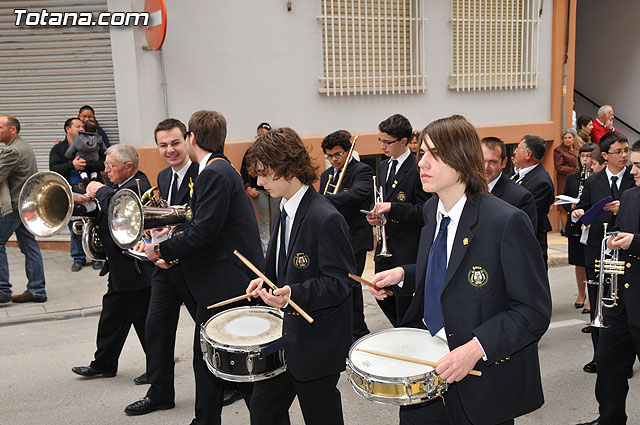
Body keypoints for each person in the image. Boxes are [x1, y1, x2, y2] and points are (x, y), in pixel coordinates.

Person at [369, 115, 551, 425]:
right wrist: (404, 275)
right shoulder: (431, 210)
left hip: (481, 382)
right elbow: (446, 270)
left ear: (462, 159)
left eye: (433, 154)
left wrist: (476, 348)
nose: (422, 163)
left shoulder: (505, 222)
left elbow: (532, 311)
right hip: (425, 372)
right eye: (421, 153)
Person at [143, 110, 263, 425]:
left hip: (226, 281)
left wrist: (161, 248)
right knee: (211, 358)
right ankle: (207, 419)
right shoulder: (216, 169)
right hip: (219, 278)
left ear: (192, 138)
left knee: (233, 361)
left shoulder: (213, 172)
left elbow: (203, 231)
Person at [244, 127, 356, 425]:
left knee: (321, 416)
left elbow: (340, 283)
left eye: (265, 173)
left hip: (316, 343)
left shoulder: (325, 217)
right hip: (285, 340)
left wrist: (293, 294)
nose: (259, 181)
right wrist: (265, 280)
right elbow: (281, 265)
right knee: (264, 410)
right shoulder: (284, 207)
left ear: (289, 168)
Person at [123, 119, 199, 416]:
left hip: (192, 267)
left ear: (188, 140)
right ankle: (160, 393)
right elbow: (167, 219)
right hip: (165, 267)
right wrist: (151, 239)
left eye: (175, 143)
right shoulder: (164, 176)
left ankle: (228, 385)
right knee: (156, 328)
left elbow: (198, 226)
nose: (170, 150)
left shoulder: (203, 173)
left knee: (206, 330)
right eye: (163, 145)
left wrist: (168, 247)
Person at [72, 144, 152, 382]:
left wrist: (101, 191)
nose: (106, 170)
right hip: (120, 267)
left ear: (129, 167)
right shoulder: (118, 186)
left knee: (145, 322)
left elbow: (119, 208)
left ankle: (157, 368)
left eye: (111, 165)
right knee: (111, 318)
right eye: (106, 165)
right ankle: (104, 363)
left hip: (136, 269)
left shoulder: (139, 186)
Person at [577, 140, 640, 425]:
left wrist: (635, 243)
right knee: (607, 363)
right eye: (633, 164)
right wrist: (612, 240)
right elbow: (620, 233)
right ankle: (610, 419)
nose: (632, 170)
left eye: (638, 165)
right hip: (620, 304)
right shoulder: (629, 197)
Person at [572, 132, 634, 375]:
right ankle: (600, 357)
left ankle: (626, 361)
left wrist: (624, 207)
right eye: (618, 152)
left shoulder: (634, 177)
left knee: (624, 307)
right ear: (605, 156)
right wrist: (579, 213)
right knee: (599, 304)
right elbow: (583, 206)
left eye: (626, 151)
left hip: (626, 250)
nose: (624, 156)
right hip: (599, 248)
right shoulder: (593, 181)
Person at [367, 114, 430, 327]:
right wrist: (376, 216)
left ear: (404, 142)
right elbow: (383, 202)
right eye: (380, 141)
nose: (382, 146)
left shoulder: (418, 168)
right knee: (382, 295)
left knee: (406, 307)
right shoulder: (384, 167)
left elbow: (424, 211)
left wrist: (393, 208)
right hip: (386, 248)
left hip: (407, 248)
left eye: (387, 142)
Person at [319, 129, 374, 339]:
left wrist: (326, 200)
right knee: (339, 285)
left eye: (338, 154)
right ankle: (344, 328)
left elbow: (357, 193)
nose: (333, 159)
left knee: (352, 285)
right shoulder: (326, 176)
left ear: (349, 151)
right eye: (329, 155)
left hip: (355, 238)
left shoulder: (361, 170)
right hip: (334, 240)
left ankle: (359, 331)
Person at [0, 115, 47, 304]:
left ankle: (2, 290)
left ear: (13, 129)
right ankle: (37, 289)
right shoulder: (23, 146)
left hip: (12, 206)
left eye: (0, 127)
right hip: (25, 204)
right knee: (29, 246)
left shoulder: (13, 151)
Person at [49, 117, 105, 272]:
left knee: (96, 222)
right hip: (71, 190)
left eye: (82, 126)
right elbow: (53, 168)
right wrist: (71, 165)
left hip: (92, 188)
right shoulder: (58, 149)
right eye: (77, 126)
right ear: (68, 129)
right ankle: (78, 258)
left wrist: (88, 164)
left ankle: (96, 255)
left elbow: (103, 162)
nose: (81, 129)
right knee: (74, 225)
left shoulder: (93, 141)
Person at [562, 143, 597, 313]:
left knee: (590, 261)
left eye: (589, 156)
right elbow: (566, 202)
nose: (585, 159)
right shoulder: (572, 177)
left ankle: (592, 297)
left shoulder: (598, 176)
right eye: (582, 156)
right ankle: (581, 294)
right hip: (576, 224)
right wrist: (573, 207)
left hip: (591, 224)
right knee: (578, 261)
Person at [511, 135, 555, 268]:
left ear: (528, 154)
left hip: (529, 243)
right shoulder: (518, 175)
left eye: (518, 149)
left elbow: (528, 215)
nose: (514, 152)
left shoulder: (541, 182)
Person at [480, 136, 537, 229]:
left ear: (504, 162)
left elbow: (523, 239)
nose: (486, 167)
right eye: (482, 161)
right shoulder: (467, 190)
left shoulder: (520, 198)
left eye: (493, 162)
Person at [241, 122, 280, 255]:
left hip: (275, 190)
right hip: (259, 192)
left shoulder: (276, 152)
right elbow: (244, 171)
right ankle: (265, 252)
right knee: (264, 221)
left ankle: (276, 250)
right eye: (258, 136)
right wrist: (248, 187)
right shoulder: (251, 152)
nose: (260, 138)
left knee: (276, 218)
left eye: (263, 135)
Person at [554, 128, 580, 231]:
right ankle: (565, 229)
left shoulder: (578, 149)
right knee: (563, 205)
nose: (568, 140)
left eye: (570, 137)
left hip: (576, 179)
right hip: (564, 180)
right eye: (565, 138)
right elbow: (559, 167)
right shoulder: (559, 150)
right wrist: (575, 170)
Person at [65, 119, 105, 184]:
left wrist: (69, 156)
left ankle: (84, 177)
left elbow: (70, 151)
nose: (80, 129)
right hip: (94, 159)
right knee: (94, 170)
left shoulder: (78, 138)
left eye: (82, 127)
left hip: (81, 159)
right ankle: (94, 177)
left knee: (81, 170)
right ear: (96, 130)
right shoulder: (98, 138)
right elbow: (103, 150)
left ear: (84, 129)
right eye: (78, 127)